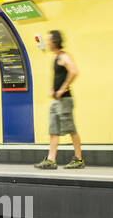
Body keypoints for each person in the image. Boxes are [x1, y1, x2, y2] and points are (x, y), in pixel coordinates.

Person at [36, 30, 84, 169]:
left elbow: (74, 71)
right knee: (54, 130)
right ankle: (51, 160)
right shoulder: (56, 58)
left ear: (55, 41)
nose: (47, 43)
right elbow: (58, 77)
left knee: (71, 129)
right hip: (57, 101)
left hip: (65, 100)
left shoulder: (64, 56)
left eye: (49, 40)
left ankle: (78, 159)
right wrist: (53, 88)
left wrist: (63, 89)